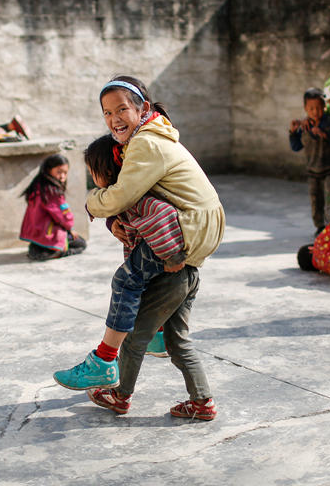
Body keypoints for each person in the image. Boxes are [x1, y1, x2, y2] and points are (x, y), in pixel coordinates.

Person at [53, 76, 224, 421]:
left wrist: (92, 202)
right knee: (178, 340)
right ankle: (201, 399)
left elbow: (128, 199)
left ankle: (108, 372)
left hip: (183, 240)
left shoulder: (145, 143)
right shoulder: (148, 137)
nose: (114, 118)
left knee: (129, 310)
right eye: (106, 113)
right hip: (192, 244)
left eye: (122, 109)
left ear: (143, 108)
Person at [64, 134, 192, 369]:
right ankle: (157, 338)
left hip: (159, 255)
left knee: (125, 284)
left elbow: (162, 213)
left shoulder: (138, 196)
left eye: (93, 171)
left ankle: (105, 359)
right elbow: (116, 206)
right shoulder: (120, 196)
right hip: (148, 254)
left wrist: (171, 255)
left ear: (106, 170)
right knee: (146, 294)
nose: (92, 177)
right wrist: (111, 221)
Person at [289, 88, 330, 234]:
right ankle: (320, 227)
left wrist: (325, 134)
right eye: (311, 108)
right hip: (312, 172)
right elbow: (296, 147)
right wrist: (293, 132)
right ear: (305, 108)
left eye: (318, 108)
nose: (315, 112)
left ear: (325, 106)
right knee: (316, 201)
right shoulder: (304, 126)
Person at [19, 154, 86, 261]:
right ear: (48, 170)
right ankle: (61, 251)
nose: (63, 176)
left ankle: (38, 249)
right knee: (81, 244)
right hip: (49, 233)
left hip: (37, 232)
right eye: (59, 172)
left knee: (42, 244)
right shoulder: (51, 192)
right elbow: (62, 215)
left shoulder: (37, 186)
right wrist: (70, 229)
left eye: (65, 172)